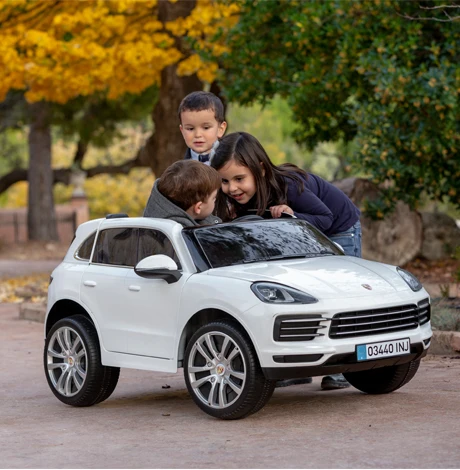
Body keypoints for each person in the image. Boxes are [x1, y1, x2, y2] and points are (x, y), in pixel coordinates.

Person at [211, 131, 362, 390]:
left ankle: (342, 368)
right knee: (296, 297)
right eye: (225, 181)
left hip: (338, 228)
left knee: (338, 296)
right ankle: (297, 367)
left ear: (259, 169)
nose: (232, 188)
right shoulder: (235, 196)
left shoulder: (289, 185)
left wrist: (293, 215)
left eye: (239, 179)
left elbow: (324, 218)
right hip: (296, 237)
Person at [143, 160, 221, 227]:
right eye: (214, 198)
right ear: (198, 207)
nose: (215, 200)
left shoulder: (149, 224)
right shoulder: (189, 239)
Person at [178, 91, 227, 164]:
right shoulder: (179, 170)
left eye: (206, 128)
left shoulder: (230, 163)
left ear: (221, 129)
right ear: (182, 131)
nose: (198, 135)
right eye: (190, 129)